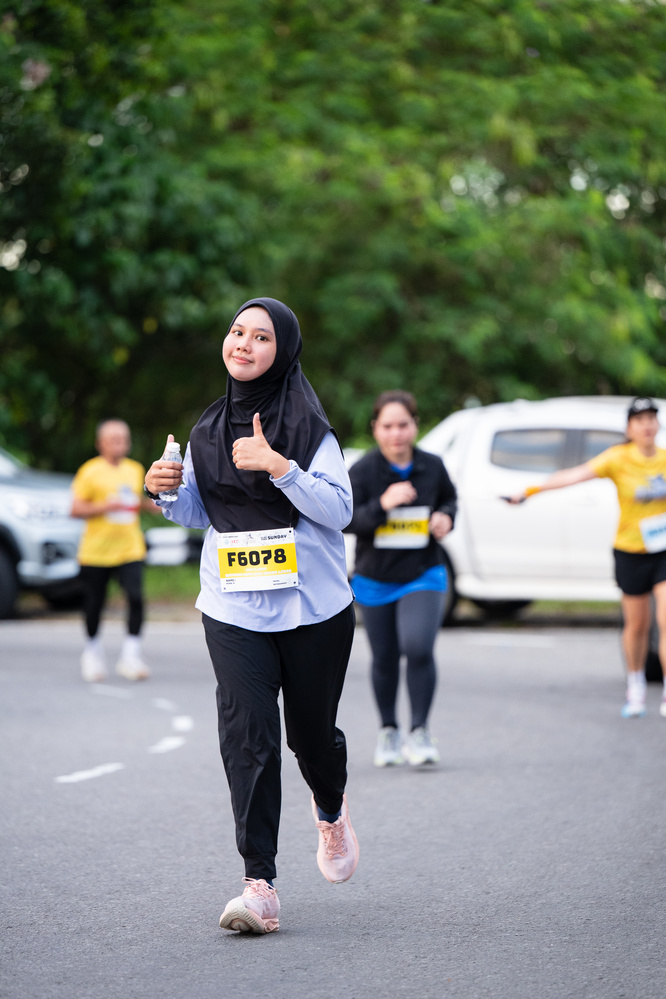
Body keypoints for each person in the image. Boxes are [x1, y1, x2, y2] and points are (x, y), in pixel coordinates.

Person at [144, 297, 358, 935]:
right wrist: (165, 491)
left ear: (283, 351)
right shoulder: (208, 430)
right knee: (249, 737)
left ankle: (330, 808)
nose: (243, 343)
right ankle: (258, 885)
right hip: (233, 606)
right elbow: (201, 513)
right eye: (237, 331)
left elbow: (340, 510)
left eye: (261, 337)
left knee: (311, 738)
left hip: (314, 607)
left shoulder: (312, 431)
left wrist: (280, 468)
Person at [506, 396, 666, 719]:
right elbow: (572, 476)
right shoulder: (618, 459)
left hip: (663, 550)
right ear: (629, 429)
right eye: (640, 420)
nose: (647, 425)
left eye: (652, 419)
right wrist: (531, 491)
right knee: (637, 625)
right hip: (630, 551)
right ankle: (635, 684)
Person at [346, 390, 457, 767]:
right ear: (375, 429)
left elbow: (449, 500)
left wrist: (445, 517)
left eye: (403, 425)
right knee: (385, 657)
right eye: (388, 426)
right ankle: (389, 730)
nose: (396, 434)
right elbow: (346, 520)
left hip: (422, 573)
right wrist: (384, 503)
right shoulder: (363, 471)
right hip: (375, 578)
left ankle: (420, 731)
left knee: (418, 647)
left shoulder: (432, 466)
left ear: (415, 426)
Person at [71, 419, 158, 683]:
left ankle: (131, 655)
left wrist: (153, 504)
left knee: (136, 598)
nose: (121, 443)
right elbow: (75, 508)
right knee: (95, 603)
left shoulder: (135, 469)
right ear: (101, 444)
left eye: (124, 438)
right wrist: (105, 507)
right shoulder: (90, 471)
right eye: (114, 439)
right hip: (96, 551)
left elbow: (135, 502)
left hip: (130, 547)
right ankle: (92, 652)